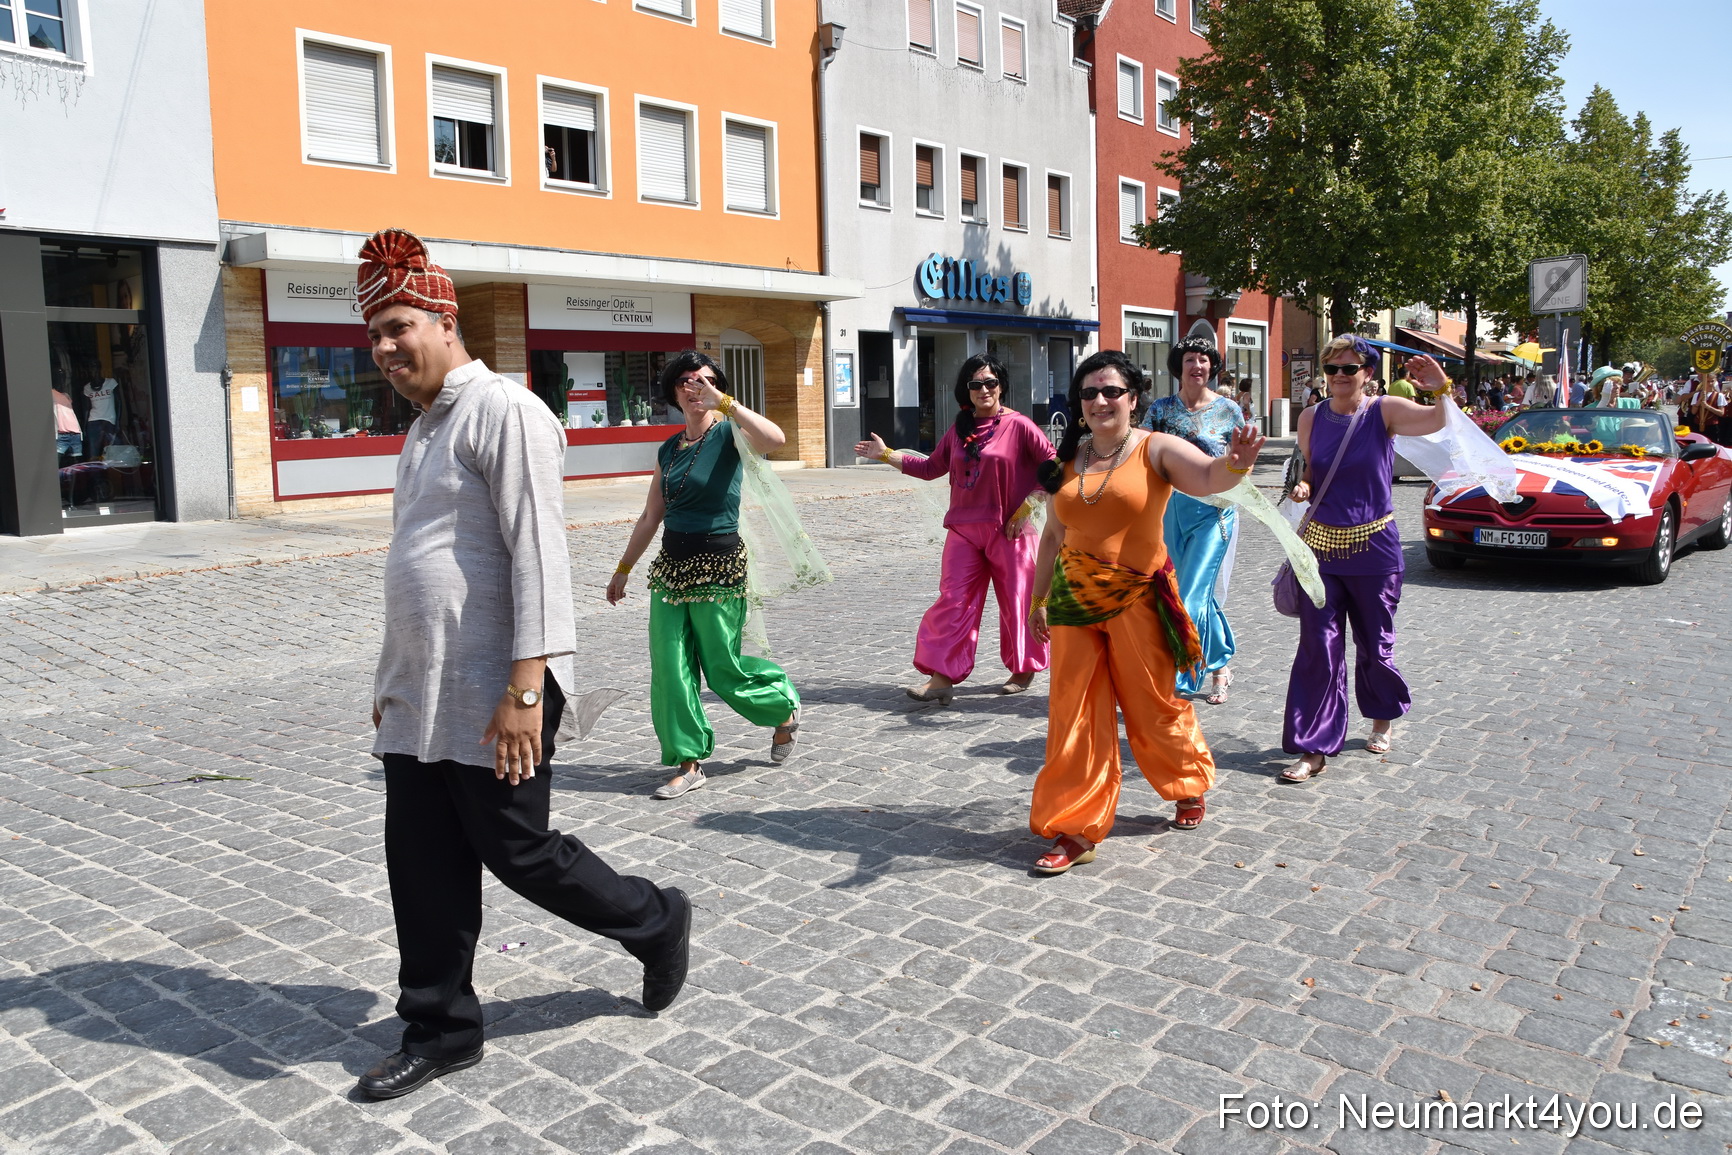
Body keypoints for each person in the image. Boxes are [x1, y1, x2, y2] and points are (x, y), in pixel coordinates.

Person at [356, 229, 690, 1101]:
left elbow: (540, 558)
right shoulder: (423, 429)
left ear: (441, 316)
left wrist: (526, 690)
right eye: (374, 336)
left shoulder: (505, 410)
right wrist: (390, 684)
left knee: (521, 852)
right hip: (421, 694)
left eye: (398, 326)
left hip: (497, 690)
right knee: (419, 861)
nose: (386, 349)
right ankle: (441, 1026)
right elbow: (419, 568)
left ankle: (656, 919)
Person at [1025, 351, 1264, 874]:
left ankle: (1187, 782)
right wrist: (1037, 600)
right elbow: (1051, 538)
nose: (1101, 401)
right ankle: (1075, 826)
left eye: (1112, 391)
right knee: (1074, 713)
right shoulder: (1067, 461)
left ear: (1134, 398)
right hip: (1073, 601)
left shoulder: (1156, 448)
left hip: (1138, 598)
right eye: (1089, 393)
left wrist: (1238, 462)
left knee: (1153, 703)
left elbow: (1207, 477)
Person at [608, 350, 812, 799]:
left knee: (723, 669)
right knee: (669, 668)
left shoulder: (730, 435)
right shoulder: (668, 448)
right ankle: (688, 761)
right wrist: (623, 568)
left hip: (719, 568)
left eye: (704, 379)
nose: (693, 386)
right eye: (685, 380)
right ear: (673, 392)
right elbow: (650, 515)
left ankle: (782, 706)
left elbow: (775, 439)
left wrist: (727, 402)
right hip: (671, 571)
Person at [1278, 336, 1452, 784]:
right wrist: (1302, 487)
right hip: (1321, 549)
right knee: (1318, 647)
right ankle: (1313, 747)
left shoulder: (1384, 411)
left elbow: (1437, 422)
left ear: (1367, 373)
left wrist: (1441, 388)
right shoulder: (1311, 417)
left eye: (1349, 368)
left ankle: (1381, 717)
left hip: (1375, 550)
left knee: (1375, 646)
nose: (1339, 376)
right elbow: (1311, 473)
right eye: (1332, 368)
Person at [854, 355, 1054, 704]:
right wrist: (887, 454)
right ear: (967, 390)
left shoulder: (1020, 425)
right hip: (963, 530)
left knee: (1019, 601)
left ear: (1001, 385)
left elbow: (1053, 467)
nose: (984, 390)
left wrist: (1029, 507)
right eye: (976, 384)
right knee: (954, 601)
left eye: (990, 383)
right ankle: (941, 678)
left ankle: (1024, 669)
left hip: (1011, 531)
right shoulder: (959, 429)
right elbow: (932, 467)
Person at [1143, 337, 1246, 704]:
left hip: (1214, 511)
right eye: (1190, 360)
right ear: (1179, 366)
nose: (1197, 366)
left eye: (1204, 360)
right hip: (1170, 509)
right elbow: (1141, 449)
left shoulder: (1229, 410)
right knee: (1183, 590)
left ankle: (1183, 680)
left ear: (1212, 367)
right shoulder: (1160, 409)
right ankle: (1220, 662)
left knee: (1189, 595)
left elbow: (1240, 460)